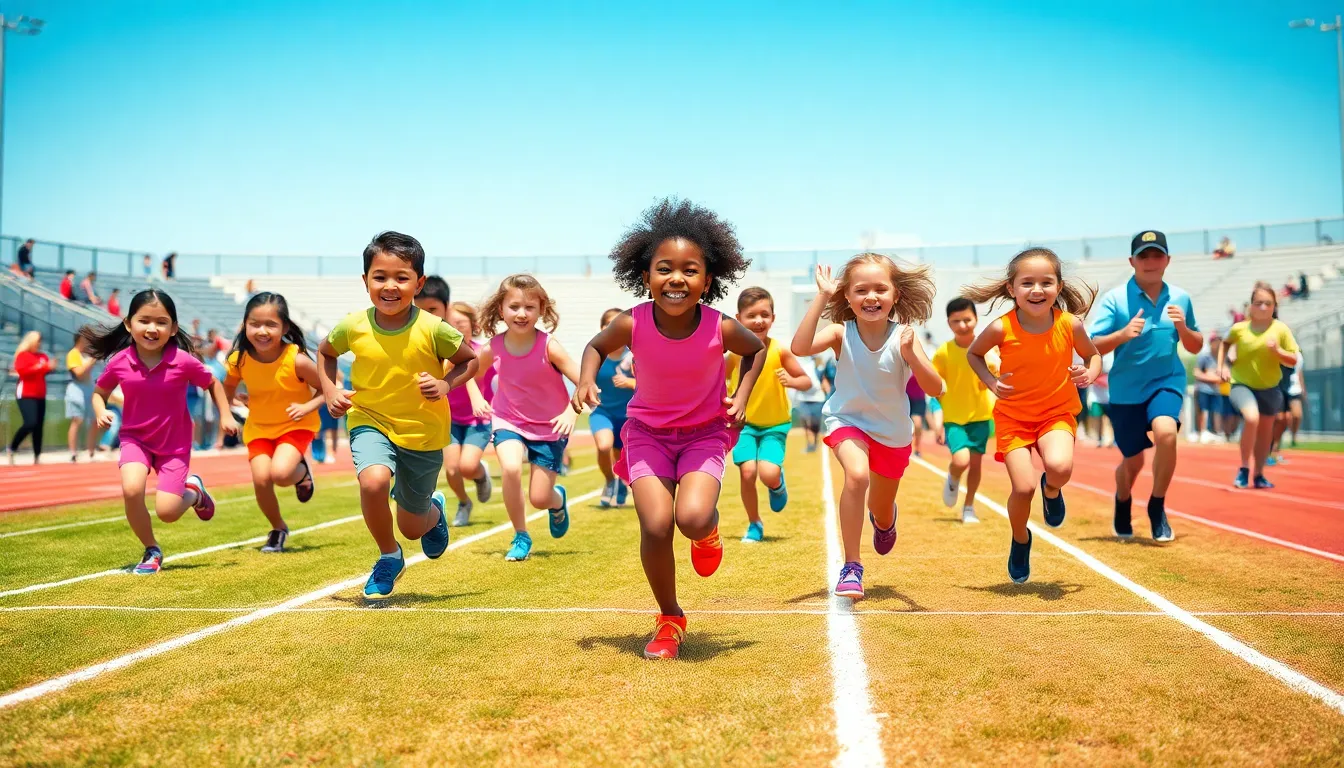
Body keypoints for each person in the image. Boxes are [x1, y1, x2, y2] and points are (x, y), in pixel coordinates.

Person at [574, 198, 763, 660]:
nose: (676, 278)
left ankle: (709, 531)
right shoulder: (631, 322)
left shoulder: (722, 326)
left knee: (692, 518)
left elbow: (756, 351)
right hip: (647, 436)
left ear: (707, 280)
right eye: (664, 268)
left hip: (704, 435)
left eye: (689, 270)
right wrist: (583, 379)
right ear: (646, 277)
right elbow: (595, 347)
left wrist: (740, 395)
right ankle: (670, 617)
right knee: (656, 525)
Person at [318, 232, 475, 600]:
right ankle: (389, 555)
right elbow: (324, 352)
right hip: (369, 418)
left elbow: (470, 360)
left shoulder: (433, 328)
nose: (390, 286)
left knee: (412, 525)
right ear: (365, 281)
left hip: (423, 432)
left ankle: (432, 512)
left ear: (418, 283)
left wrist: (445, 384)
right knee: (372, 482)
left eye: (401, 277)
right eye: (380, 277)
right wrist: (330, 390)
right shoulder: (352, 325)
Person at [792, 254, 943, 600]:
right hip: (847, 420)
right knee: (856, 476)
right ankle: (852, 566)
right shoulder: (839, 332)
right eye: (861, 290)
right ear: (847, 296)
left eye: (880, 289)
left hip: (892, 433)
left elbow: (936, 388)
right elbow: (800, 347)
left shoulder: (905, 336)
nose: (871, 297)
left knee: (881, 506)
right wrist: (822, 296)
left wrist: (913, 355)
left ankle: (885, 521)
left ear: (895, 295)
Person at [965, 248, 1100, 584]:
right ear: (1012, 288)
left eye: (1046, 282)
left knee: (1059, 468)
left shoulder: (1071, 325)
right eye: (1027, 283)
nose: (1036, 290)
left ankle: (1051, 491)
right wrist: (992, 383)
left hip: (1056, 412)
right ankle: (1020, 539)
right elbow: (974, 354)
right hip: (1013, 417)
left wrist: (1089, 373)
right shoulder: (1001, 328)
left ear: (1058, 286)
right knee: (1022, 488)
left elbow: (1093, 356)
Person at [83, 289, 238, 574]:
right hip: (135, 439)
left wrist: (226, 415)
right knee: (131, 489)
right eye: (144, 321)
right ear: (129, 324)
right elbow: (99, 393)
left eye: (161, 322)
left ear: (173, 328)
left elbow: (213, 384)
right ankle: (151, 549)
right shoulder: (120, 361)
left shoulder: (183, 361)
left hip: (174, 444)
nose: (152, 328)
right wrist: (100, 410)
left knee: (167, 512)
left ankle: (194, 493)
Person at [1087, 230, 1201, 542]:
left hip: (1166, 381)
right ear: (1132, 261)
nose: (1151, 261)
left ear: (1167, 260)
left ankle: (1157, 506)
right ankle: (1123, 501)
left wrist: (1182, 326)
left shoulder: (1180, 298)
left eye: (1157, 255)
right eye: (1144, 256)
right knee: (1133, 461)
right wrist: (1122, 334)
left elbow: (1195, 344)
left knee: (1166, 432)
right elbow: (1094, 345)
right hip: (1125, 391)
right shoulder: (1115, 299)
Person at [474, 274, 582, 562]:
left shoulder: (550, 346)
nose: (521, 314)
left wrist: (571, 411)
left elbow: (584, 383)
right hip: (508, 419)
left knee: (539, 498)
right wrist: (476, 397)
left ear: (541, 309)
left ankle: (556, 502)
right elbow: (469, 373)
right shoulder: (493, 347)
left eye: (529, 307)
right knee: (509, 468)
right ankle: (521, 535)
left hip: (550, 427)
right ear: (501, 310)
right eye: (514, 307)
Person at [223, 292, 323, 553]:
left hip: (295, 425)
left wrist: (307, 406)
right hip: (259, 427)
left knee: (279, 474)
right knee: (261, 480)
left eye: (271, 325)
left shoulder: (296, 359)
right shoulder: (239, 359)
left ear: (285, 327)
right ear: (245, 324)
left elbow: (327, 388)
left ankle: (302, 472)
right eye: (255, 324)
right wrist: (230, 407)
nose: (262, 331)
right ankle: (278, 528)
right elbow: (228, 387)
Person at [728, 286, 811, 543]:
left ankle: (777, 484)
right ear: (738, 319)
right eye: (751, 315)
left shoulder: (779, 351)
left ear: (773, 318)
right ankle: (754, 523)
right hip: (744, 426)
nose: (759, 320)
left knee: (768, 473)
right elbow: (716, 384)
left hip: (775, 425)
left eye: (765, 314)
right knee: (747, 472)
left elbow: (807, 381)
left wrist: (793, 381)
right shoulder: (732, 354)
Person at [414, 278, 494, 527]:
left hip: (477, 420)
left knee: (467, 466)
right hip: (449, 418)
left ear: (473, 326)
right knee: (451, 470)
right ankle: (464, 502)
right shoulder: (443, 350)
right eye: (453, 324)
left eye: (462, 324)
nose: (458, 329)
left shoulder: (483, 351)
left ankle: (480, 474)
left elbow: (472, 372)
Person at [1218, 282, 1300, 489]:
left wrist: (1278, 352)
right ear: (1251, 306)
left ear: (1274, 306)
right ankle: (1244, 468)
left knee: (1265, 432)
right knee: (1251, 418)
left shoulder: (1281, 329)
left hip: (1271, 387)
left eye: (1268, 303)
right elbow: (1225, 344)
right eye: (1258, 303)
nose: (1263, 307)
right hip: (1241, 384)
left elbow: (1293, 359)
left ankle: (1259, 474)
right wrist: (1222, 366)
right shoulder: (1239, 329)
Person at [932, 297, 996, 524]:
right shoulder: (943, 353)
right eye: (956, 321)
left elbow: (997, 376)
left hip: (981, 416)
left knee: (976, 464)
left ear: (976, 320)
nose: (962, 325)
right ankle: (953, 477)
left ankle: (969, 507)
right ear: (949, 323)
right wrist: (937, 421)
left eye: (967, 320)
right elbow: (934, 387)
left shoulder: (987, 350)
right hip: (954, 418)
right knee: (961, 461)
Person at [590, 307, 635, 509]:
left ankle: (621, 485)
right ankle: (610, 481)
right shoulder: (596, 355)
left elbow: (653, 385)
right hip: (602, 412)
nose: (613, 327)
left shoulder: (633, 356)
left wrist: (630, 383)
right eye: (608, 323)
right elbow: (584, 379)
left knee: (622, 459)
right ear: (601, 328)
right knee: (603, 446)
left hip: (629, 416)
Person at [7, 332, 51, 464]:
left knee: (38, 425)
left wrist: (45, 367)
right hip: (26, 393)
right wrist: (40, 367)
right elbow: (23, 372)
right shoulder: (23, 355)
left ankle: (37, 455)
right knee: (30, 422)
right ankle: (12, 447)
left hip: (40, 393)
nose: (40, 343)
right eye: (38, 340)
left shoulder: (42, 356)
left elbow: (46, 368)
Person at [65, 335, 102, 462]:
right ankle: (73, 452)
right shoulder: (73, 354)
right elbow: (79, 373)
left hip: (89, 388)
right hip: (77, 389)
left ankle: (91, 451)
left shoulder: (85, 354)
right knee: (77, 420)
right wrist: (91, 361)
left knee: (94, 420)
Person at [1270, 352, 1306, 462]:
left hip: (1293, 389)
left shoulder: (1297, 353)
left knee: (1295, 415)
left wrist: (1303, 389)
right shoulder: (1276, 350)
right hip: (1278, 387)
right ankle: (1271, 450)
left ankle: (1278, 448)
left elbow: (1298, 371)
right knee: (1280, 419)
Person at [1193, 336, 1225, 444]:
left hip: (1216, 391)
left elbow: (1224, 377)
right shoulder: (1204, 357)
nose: (1218, 345)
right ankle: (1202, 432)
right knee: (1203, 411)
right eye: (1215, 342)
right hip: (1203, 389)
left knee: (1217, 412)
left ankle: (1216, 433)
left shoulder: (1221, 359)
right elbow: (1196, 372)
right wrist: (1212, 378)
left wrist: (1214, 377)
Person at [793, 354, 828, 453]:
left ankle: (815, 443)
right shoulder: (802, 365)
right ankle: (809, 445)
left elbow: (824, 381)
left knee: (815, 424)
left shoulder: (820, 368)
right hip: (803, 399)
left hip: (818, 400)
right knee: (807, 423)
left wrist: (827, 392)